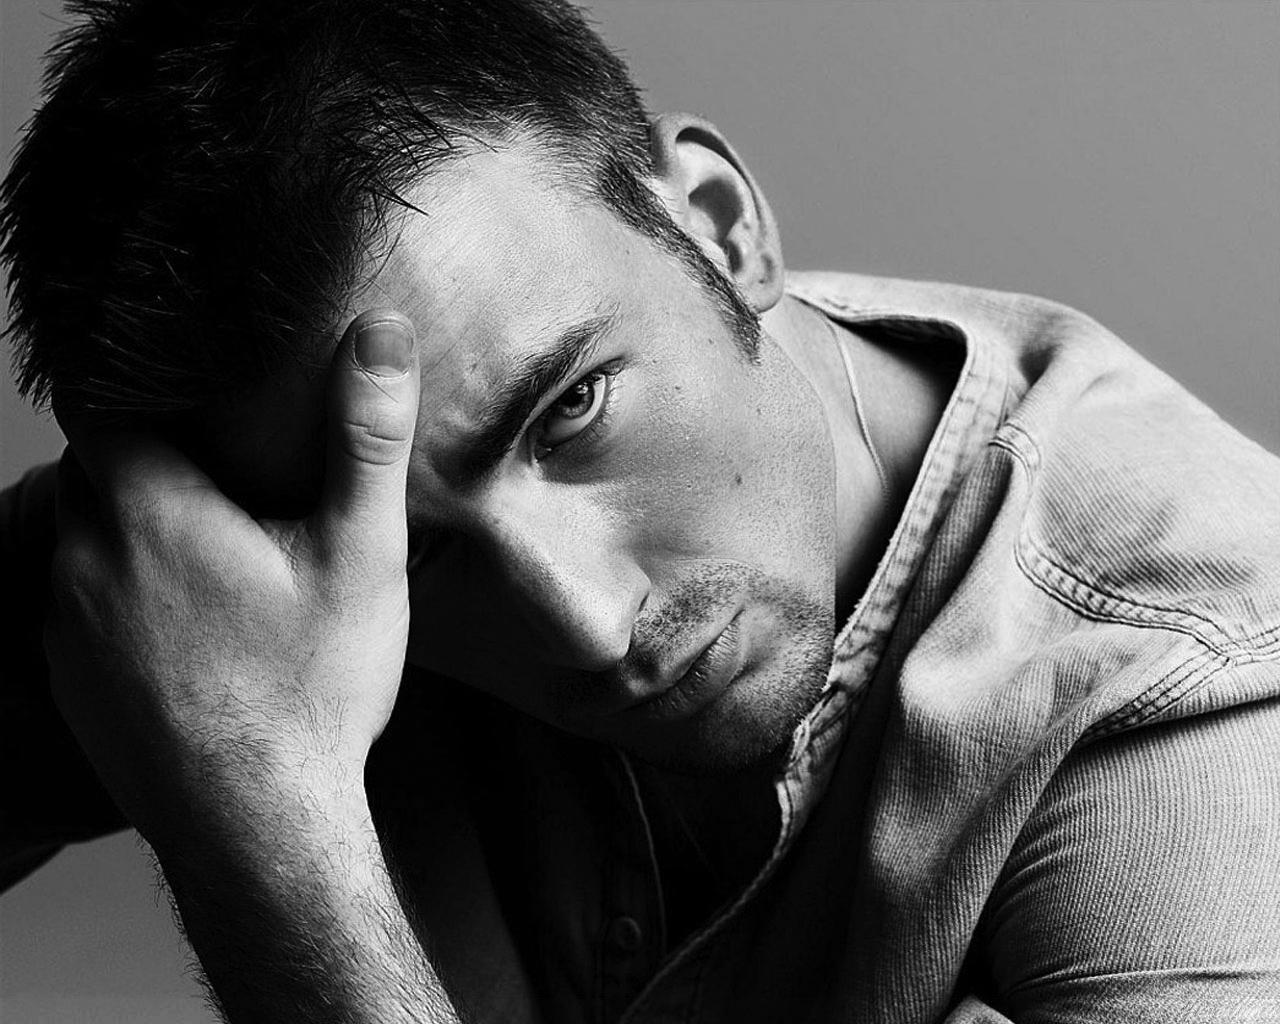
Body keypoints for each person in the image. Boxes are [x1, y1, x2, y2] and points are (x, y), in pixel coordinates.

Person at [2, 0, 1278, 1021]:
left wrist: (266, 837)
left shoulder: (1186, 699)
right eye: (414, 555)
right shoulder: (255, 548)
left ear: (719, 229)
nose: (588, 623)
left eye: (569, 411)